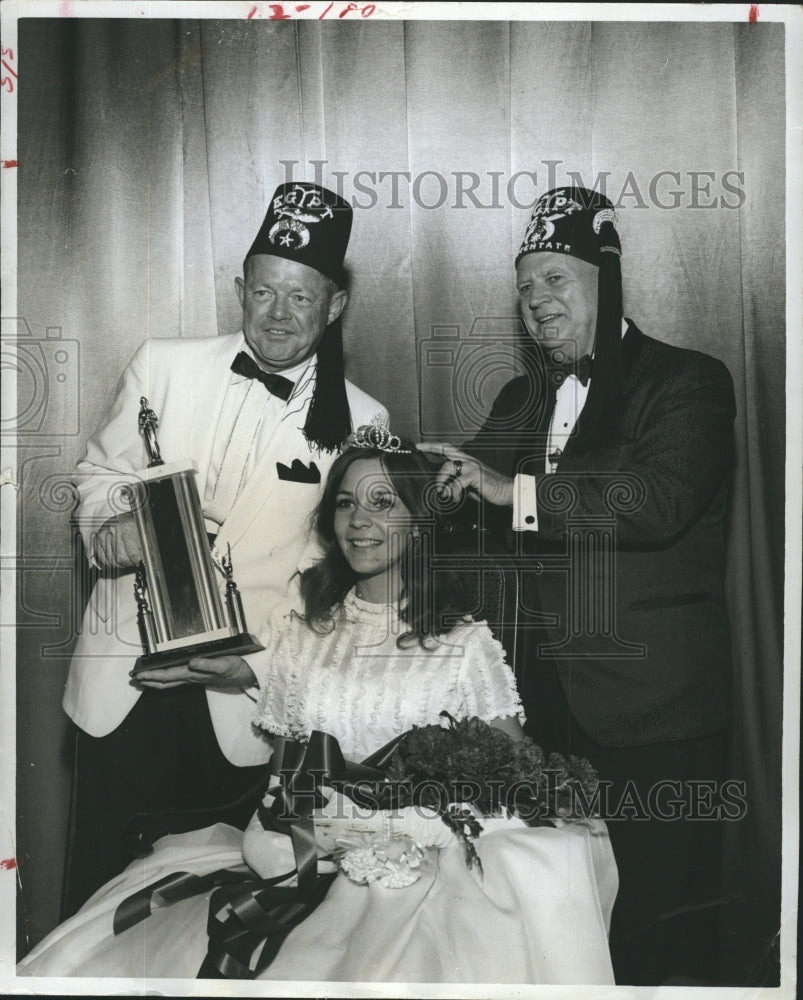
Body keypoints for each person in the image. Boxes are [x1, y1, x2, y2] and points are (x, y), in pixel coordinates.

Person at [19, 436, 618, 985]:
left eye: (384, 502)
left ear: (420, 523)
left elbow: (511, 778)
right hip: (312, 859)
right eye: (346, 503)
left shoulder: (464, 643)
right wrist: (293, 840)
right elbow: (286, 779)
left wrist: (420, 831)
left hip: (428, 868)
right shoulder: (306, 630)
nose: (360, 521)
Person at [420, 186, 736, 985]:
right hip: (545, 717)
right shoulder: (518, 399)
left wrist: (510, 493)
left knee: (663, 934)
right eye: (525, 287)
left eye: (555, 279)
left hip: (654, 717)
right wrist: (407, 479)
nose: (535, 302)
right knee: (563, 938)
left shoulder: (688, 381)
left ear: (607, 279)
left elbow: (656, 502)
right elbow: (464, 498)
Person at [61, 182, 388, 915]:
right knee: (94, 907)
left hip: (238, 705)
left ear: (334, 306)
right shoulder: (162, 365)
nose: (277, 316)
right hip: (124, 688)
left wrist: (256, 666)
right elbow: (101, 475)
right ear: (240, 288)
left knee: (208, 914)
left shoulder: (364, 419)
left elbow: (337, 580)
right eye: (264, 292)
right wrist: (108, 524)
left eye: (300, 298)